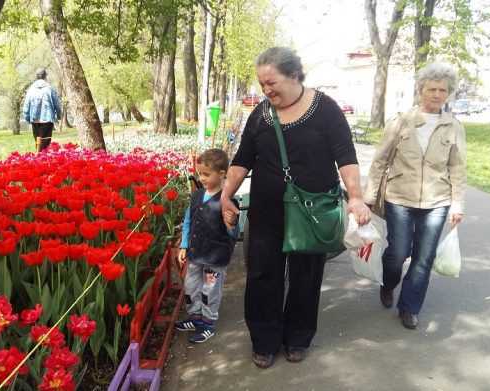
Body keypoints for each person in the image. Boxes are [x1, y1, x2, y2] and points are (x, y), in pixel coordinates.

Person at [220, 47, 371, 368]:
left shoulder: (326, 110)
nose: (266, 90)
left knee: (306, 276)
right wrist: (225, 195)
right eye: (262, 84)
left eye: (271, 82)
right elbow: (243, 159)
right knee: (262, 275)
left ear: (295, 76)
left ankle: (298, 337)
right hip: (266, 212)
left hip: (313, 212)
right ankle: (265, 339)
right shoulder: (260, 114)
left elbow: (346, 156)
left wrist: (355, 197)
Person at [364, 62, 466, 330]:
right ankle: (388, 283)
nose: (436, 94)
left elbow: (457, 167)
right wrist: (369, 195)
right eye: (431, 89)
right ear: (421, 90)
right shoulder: (401, 121)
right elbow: (380, 160)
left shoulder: (453, 126)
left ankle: (409, 307)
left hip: (437, 201)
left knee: (424, 256)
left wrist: (457, 204)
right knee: (398, 252)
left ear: (448, 93)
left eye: (442, 90)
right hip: (399, 197)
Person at [175, 148, 240, 344]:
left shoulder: (227, 200)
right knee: (191, 286)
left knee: (210, 290)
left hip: (215, 256)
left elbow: (233, 233)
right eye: (199, 173)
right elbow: (188, 221)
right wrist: (184, 245)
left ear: (221, 174)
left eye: (206, 174)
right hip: (195, 253)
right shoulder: (196, 196)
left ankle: (207, 322)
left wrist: (233, 223)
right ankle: (195, 317)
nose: (201, 177)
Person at [22, 68, 63, 152]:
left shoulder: (31, 89)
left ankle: (39, 160)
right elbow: (57, 105)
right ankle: (42, 160)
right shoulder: (50, 89)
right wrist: (59, 115)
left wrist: (27, 118)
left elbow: (26, 106)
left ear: (36, 77)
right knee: (45, 145)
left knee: (38, 143)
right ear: (45, 76)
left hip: (35, 120)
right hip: (47, 120)